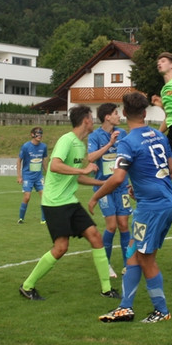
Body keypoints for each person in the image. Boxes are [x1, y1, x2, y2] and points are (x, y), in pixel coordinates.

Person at [18, 105, 120, 302]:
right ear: (86, 121)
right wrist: (83, 170)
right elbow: (55, 166)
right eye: (91, 117)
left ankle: (106, 289)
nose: (93, 120)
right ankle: (27, 286)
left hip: (70, 201)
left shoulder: (80, 145)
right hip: (55, 202)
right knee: (61, 248)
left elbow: (77, 178)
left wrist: (102, 183)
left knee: (95, 236)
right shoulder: (67, 140)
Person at [91, 92, 172, 324]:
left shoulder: (127, 141)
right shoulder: (158, 135)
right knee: (132, 253)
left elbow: (118, 178)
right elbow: (170, 170)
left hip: (151, 208)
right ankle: (125, 307)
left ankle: (161, 310)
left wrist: (95, 197)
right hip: (163, 202)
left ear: (125, 113)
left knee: (146, 259)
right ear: (146, 113)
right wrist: (140, 187)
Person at [87, 103, 131, 280]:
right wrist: (109, 144)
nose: (118, 116)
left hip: (121, 186)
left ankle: (129, 265)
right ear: (107, 117)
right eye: (115, 113)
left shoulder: (124, 134)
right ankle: (106, 264)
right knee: (111, 226)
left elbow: (128, 158)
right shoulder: (96, 136)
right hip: (103, 187)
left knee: (124, 225)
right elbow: (90, 157)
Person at [16, 127, 48, 223]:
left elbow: (44, 160)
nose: (40, 136)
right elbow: (19, 160)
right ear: (32, 135)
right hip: (28, 176)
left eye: (41, 134)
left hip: (39, 176)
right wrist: (19, 176)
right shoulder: (26, 146)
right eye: (38, 134)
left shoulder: (43, 147)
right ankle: (21, 218)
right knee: (27, 197)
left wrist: (48, 173)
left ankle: (43, 219)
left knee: (44, 196)